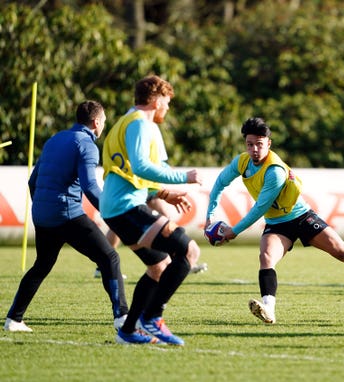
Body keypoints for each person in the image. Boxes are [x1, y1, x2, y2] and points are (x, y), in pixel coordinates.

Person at [205, 117, 344, 325]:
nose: (254, 150)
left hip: (301, 217)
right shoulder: (241, 162)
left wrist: (234, 231)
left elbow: (260, 208)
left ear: (268, 144)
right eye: (250, 144)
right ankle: (268, 308)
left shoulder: (275, 171)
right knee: (266, 257)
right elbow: (219, 184)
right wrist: (209, 217)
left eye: (259, 145)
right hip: (277, 225)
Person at [4, 101, 129, 333]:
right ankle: (122, 317)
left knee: (41, 265)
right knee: (110, 258)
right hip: (67, 214)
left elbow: (33, 182)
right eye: (103, 122)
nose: (103, 126)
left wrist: (43, 206)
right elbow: (90, 186)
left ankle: (14, 319)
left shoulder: (55, 139)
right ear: (96, 122)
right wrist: (111, 211)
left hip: (42, 215)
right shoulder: (87, 145)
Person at [101, 75, 203, 345]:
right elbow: (140, 167)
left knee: (159, 266)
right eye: (167, 102)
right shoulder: (139, 124)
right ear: (156, 100)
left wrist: (163, 192)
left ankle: (129, 330)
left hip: (118, 206)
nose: (167, 109)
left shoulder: (125, 121)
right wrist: (184, 177)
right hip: (126, 207)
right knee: (189, 251)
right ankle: (153, 317)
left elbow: (131, 174)